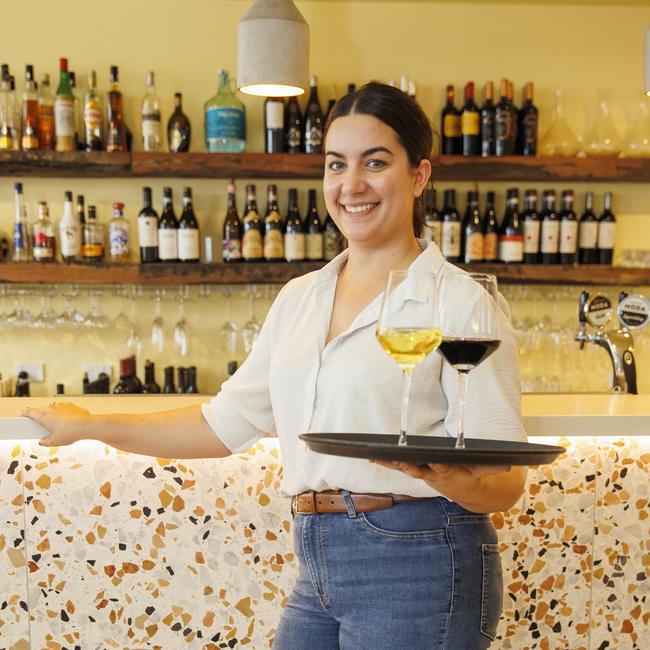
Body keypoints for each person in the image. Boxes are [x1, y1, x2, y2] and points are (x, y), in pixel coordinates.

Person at [24, 82, 527, 650]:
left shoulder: (459, 301)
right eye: (336, 165)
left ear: (418, 176)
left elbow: (506, 481)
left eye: (376, 162)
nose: (352, 185)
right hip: (316, 555)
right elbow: (222, 424)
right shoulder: (300, 298)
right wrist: (89, 424)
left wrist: (455, 481)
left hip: (420, 558)